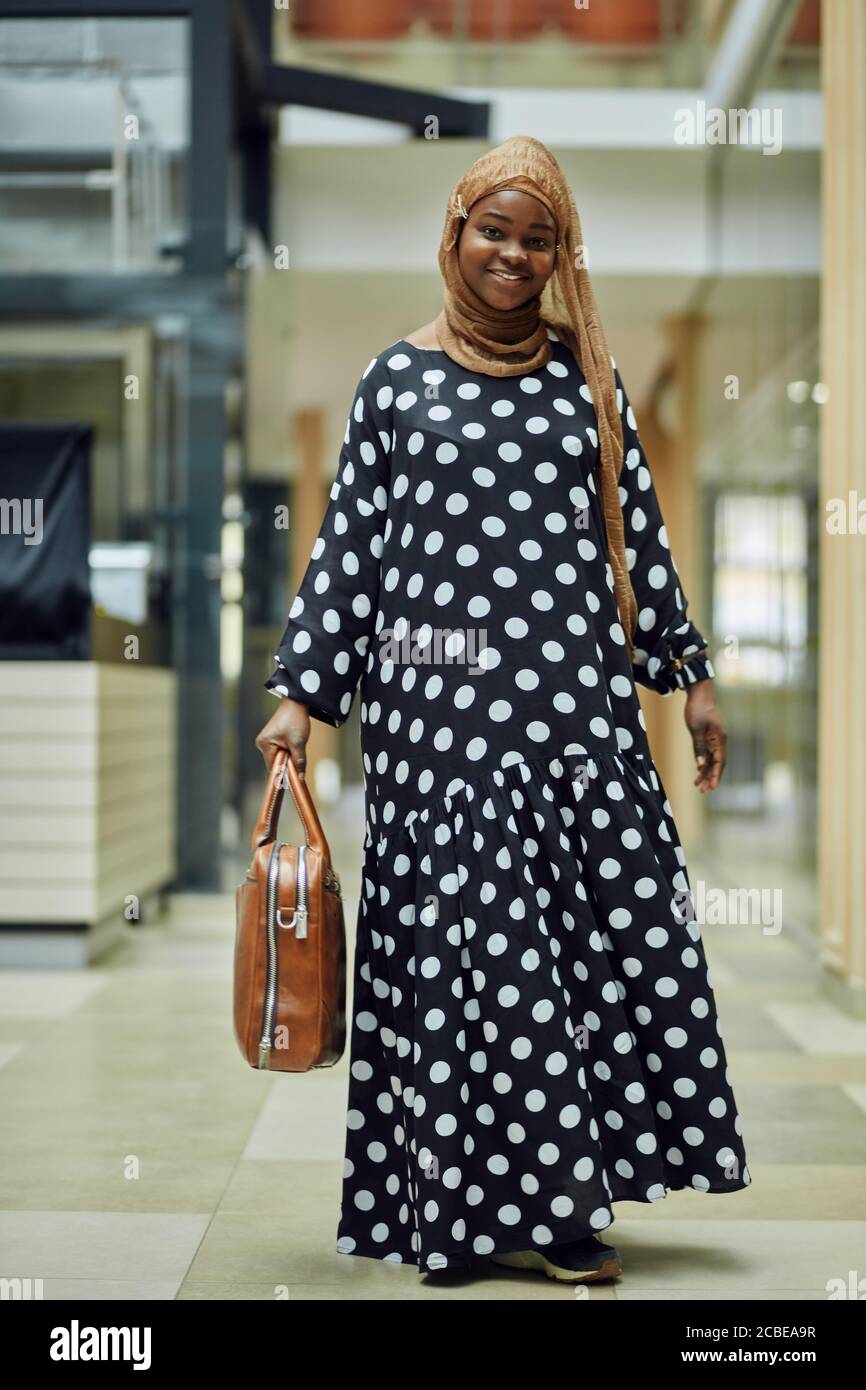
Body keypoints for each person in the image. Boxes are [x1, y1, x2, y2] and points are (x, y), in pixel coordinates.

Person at [255, 134, 751, 1285]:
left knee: (581, 955)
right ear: (453, 233)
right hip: (441, 730)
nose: (513, 256)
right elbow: (351, 553)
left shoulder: (590, 380)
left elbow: (634, 543)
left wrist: (690, 676)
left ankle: (562, 1207)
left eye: (539, 240)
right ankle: (470, 1216)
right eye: (494, 231)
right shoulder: (395, 381)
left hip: (577, 720)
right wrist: (302, 701)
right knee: (472, 963)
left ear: (559, 253)